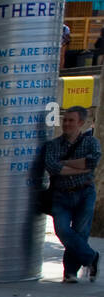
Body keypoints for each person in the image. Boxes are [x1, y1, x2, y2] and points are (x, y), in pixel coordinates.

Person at [44, 105, 100, 283]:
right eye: (65, 120)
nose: (66, 124)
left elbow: (92, 163)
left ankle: (70, 272)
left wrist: (65, 164)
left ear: (81, 123)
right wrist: (80, 167)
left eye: (71, 120)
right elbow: (53, 167)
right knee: (62, 230)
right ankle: (91, 257)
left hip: (85, 192)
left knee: (80, 231)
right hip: (61, 195)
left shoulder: (91, 142)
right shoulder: (53, 144)